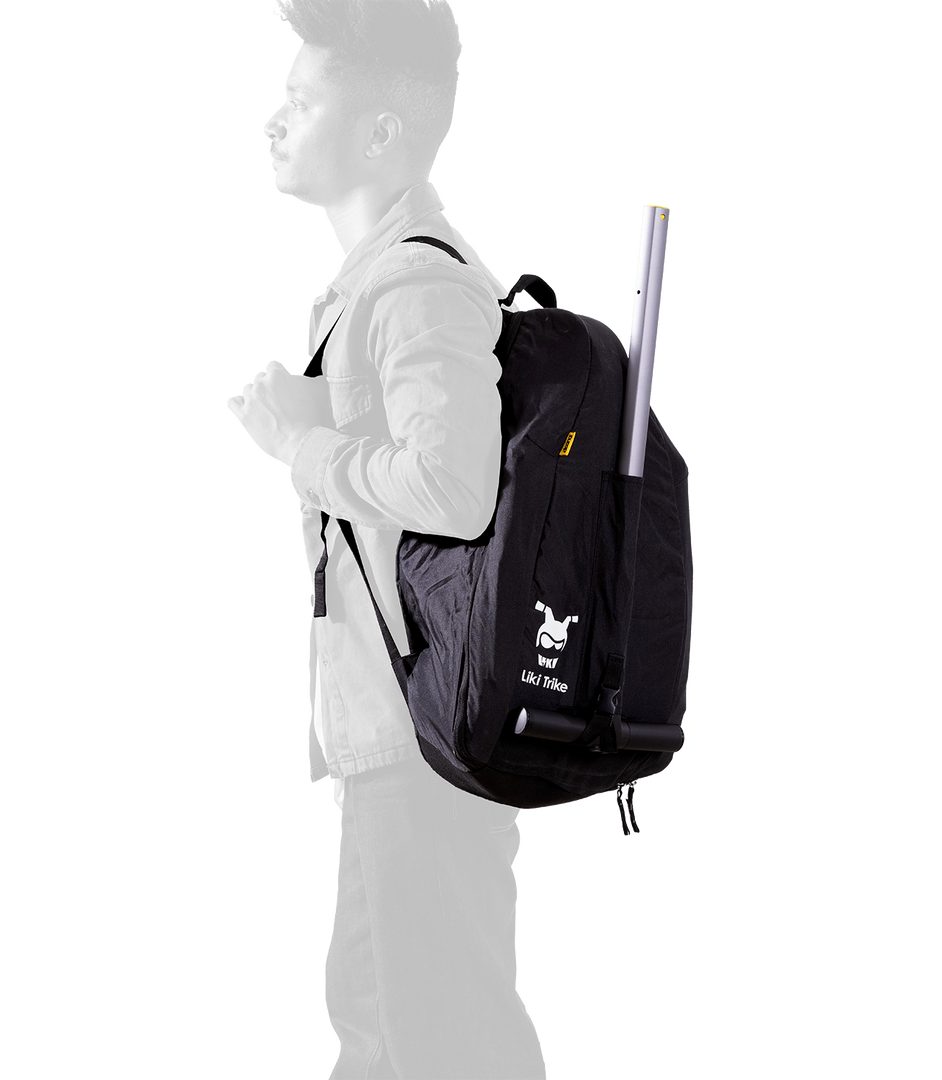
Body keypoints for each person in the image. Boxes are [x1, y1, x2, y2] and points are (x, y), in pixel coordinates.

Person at [224, 3, 548, 1077]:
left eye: (299, 98)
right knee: (382, 1034)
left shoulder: (416, 285)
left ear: (379, 134)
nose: (272, 119)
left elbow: (449, 489)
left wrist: (297, 445)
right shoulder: (374, 286)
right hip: (395, 736)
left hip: (424, 742)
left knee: (435, 1044)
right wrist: (324, 421)